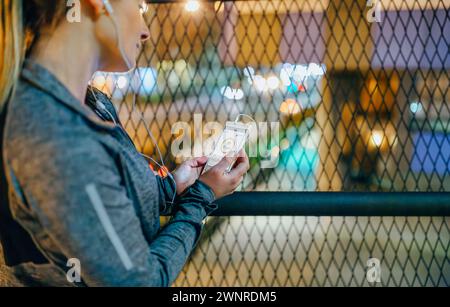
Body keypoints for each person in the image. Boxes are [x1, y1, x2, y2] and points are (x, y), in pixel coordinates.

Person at [0, 0, 249, 286]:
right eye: (140, 7)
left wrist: (170, 186)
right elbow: (139, 282)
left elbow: (100, 207)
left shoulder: (89, 105)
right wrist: (200, 198)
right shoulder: (56, 133)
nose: (145, 32)